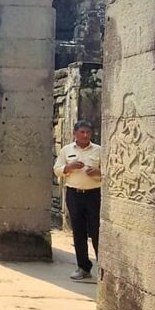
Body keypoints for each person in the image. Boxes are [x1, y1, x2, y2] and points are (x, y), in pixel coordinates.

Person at [54, 120, 101, 281]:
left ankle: (103, 267)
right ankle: (83, 267)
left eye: (88, 132)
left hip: (94, 194)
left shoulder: (99, 150)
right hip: (74, 194)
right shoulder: (66, 150)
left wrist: (98, 172)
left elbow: (110, 171)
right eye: (82, 132)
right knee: (78, 231)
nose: (85, 135)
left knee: (97, 231)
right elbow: (57, 170)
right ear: (75, 133)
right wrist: (69, 167)